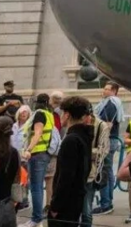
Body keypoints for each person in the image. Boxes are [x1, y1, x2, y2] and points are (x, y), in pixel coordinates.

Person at [48, 97, 93, 227]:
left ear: (67, 115)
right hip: (76, 199)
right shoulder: (84, 136)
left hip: (66, 204)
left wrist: (55, 206)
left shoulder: (71, 140)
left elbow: (66, 177)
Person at [20, 93, 55, 227]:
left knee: (36, 187)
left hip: (37, 153)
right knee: (38, 187)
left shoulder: (39, 114)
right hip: (44, 153)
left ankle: (36, 219)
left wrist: (28, 150)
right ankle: (37, 218)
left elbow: (38, 132)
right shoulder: (49, 114)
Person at [92, 80, 124, 215]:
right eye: (104, 89)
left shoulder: (111, 104)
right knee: (108, 170)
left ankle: (105, 204)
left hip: (107, 141)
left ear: (114, 91)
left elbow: (106, 124)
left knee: (103, 170)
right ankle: (108, 200)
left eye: (107, 89)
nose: (104, 91)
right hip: (111, 140)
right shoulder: (112, 103)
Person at [82, 112, 113, 227]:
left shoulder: (101, 126)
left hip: (91, 172)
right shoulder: (75, 123)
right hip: (74, 173)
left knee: (86, 210)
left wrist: (84, 152)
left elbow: (104, 151)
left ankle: (106, 203)